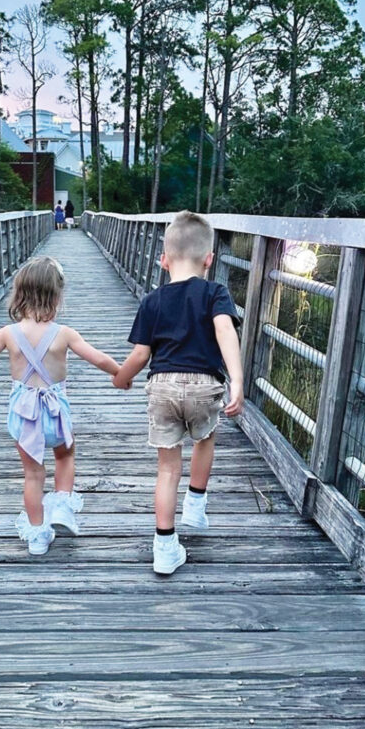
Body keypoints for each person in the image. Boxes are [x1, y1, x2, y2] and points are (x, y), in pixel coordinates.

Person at [0, 256, 122, 555]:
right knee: (65, 457)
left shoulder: (8, 334)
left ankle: (37, 537)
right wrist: (121, 373)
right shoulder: (64, 334)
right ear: (56, 296)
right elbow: (98, 357)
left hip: (24, 416)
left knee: (33, 475)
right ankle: (63, 507)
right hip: (55, 413)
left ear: (19, 295)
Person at [112, 211, 244, 575]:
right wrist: (237, 379)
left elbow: (140, 354)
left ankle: (165, 547)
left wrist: (122, 378)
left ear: (163, 259)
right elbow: (225, 332)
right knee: (205, 438)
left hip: (163, 386)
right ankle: (196, 505)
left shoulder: (152, 301)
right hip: (205, 385)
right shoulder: (216, 292)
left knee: (167, 469)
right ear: (209, 259)